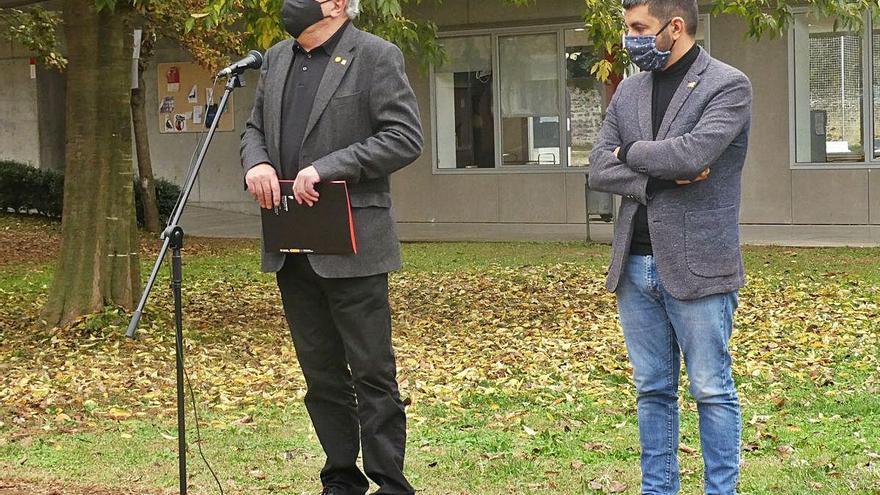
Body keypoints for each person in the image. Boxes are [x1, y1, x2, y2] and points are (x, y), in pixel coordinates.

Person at [240, 0, 423, 493]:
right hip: (291, 240)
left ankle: (390, 482)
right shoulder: (276, 58)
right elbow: (254, 129)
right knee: (321, 377)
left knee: (372, 374)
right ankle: (340, 478)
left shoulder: (376, 55)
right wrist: (255, 163)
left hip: (353, 244)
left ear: (339, 4)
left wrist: (328, 166)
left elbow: (404, 138)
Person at [588, 0, 752, 493]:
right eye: (628, 28)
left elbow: (695, 153)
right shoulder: (629, 91)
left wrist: (629, 155)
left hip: (699, 264)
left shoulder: (728, 84)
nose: (630, 39)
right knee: (652, 390)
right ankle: (658, 489)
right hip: (634, 265)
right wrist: (658, 175)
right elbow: (598, 167)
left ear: (674, 27)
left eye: (639, 28)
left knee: (710, 389)